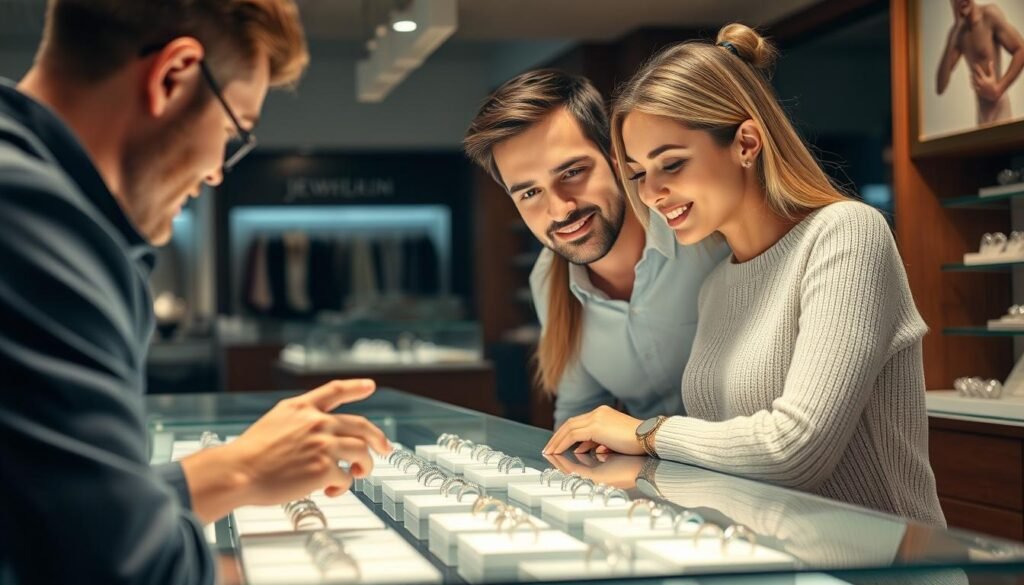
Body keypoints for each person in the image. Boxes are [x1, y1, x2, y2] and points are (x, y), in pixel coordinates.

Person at [0, 1, 390, 583]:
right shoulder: (39, 226)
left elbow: (48, 511)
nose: (215, 173)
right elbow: (122, 567)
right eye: (233, 133)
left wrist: (236, 470)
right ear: (173, 76)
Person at [543, 23, 945, 526]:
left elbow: (796, 451)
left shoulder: (846, 234)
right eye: (639, 173)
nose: (650, 193)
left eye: (671, 164)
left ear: (747, 143)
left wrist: (646, 433)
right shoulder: (716, 285)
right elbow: (725, 454)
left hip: (883, 558)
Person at [463, 70, 727, 430]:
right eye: (530, 193)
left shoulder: (706, 234)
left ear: (616, 159)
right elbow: (578, 415)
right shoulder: (548, 282)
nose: (560, 210)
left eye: (572, 172)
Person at [937, 0, 1024, 124]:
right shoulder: (959, 33)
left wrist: (998, 89)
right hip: (981, 115)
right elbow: (940, 86)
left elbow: (1021, 50)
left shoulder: (989, 15)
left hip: (1000, 109)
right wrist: (953, 32)